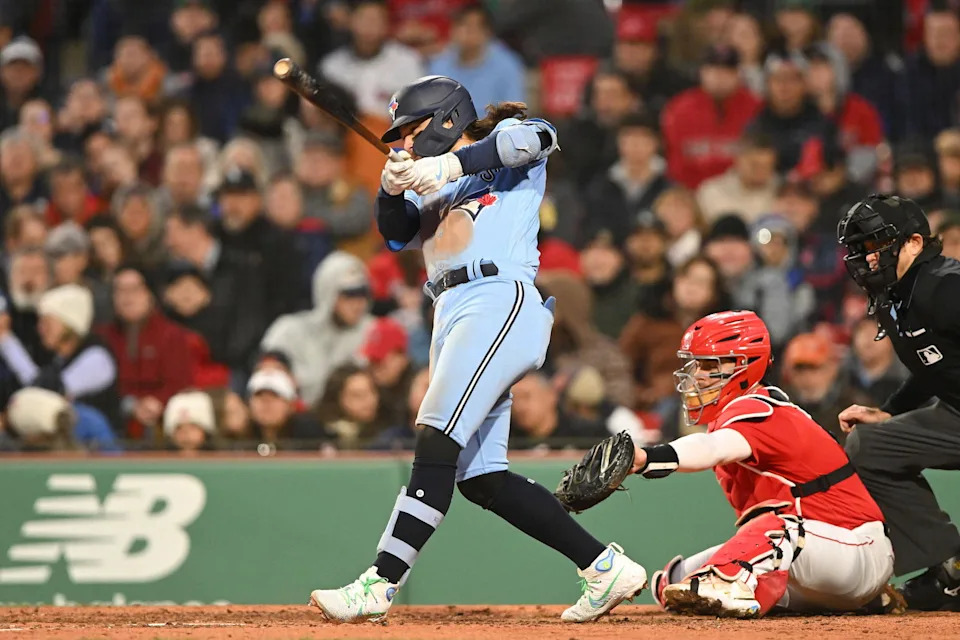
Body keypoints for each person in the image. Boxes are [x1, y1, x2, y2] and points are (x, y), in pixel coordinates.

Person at [308, 75, 647, 624]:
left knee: (435, 433)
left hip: (498, 297)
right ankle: (603, 566)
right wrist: (392, 187)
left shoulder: (505, 140)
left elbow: (538, 139)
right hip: (451, 310)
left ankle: (379, 584)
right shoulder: (426, 179)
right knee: (480, 477)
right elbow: (396, 234)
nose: (407, 144)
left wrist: (442, 167)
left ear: (446, 118)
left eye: (412, 131)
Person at [559, 310, 894, 618]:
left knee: (774, 531)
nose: (697, 376)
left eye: (709, 365)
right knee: (674, 582)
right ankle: (846, 600)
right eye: (695, 365)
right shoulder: (734, 415)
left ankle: (854, 593)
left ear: (743, 365)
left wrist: (647, 457)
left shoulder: (759, 407)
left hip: (855, 549)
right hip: (814, 564)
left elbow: (713, 448)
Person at [837, 194, 960, 610]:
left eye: (875, 246)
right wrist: (889, 411)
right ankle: (951, 569)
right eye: (861, 249)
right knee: (869, 444)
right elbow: (933, 368)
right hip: (955, 412)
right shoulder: (895, 296)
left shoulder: (947, 286)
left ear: (913, 242)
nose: (867, 259)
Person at [620, 256, 728, 436]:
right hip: (655, 407)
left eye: (701, 282)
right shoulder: (648, 321)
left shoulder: (722, 328)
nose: (691, 287)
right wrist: (641, 395)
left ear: (714, 292)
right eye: (686, 278)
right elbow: (621, 365)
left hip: (709, 407)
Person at [0, 284, 120, 430]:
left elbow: (46, 393)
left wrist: (6, 339)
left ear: (68, 324)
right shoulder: (58, 358)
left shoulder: (97, 358)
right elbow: (37, 382)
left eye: (47, 322)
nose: (40, 328)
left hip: (100, 446)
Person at [260, 251, 373, 406]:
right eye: (349, 294)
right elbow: (267, 370)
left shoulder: (374, 331)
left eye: (363, 293)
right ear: (328, 292)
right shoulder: (290, 330)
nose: (358, 303)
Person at [98, 265, 196, 440]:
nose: (127, 297)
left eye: (134, 290)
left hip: (163, 417)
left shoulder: (171, 335)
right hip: (114, 416)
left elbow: (180, 382)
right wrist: (129, 405)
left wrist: (158, 402)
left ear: (149, 294)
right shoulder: (103, 337)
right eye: (120, 290)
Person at [661, 45, 762, 190]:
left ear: (738, 74)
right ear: (701, 72)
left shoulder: (755, 108)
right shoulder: (679, 109)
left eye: (727, 71)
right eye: (713, 70)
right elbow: (675, 164)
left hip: (743, 194)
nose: (719, 77)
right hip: (691, 194)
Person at [215, 166, 306, 316]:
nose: (233, 204)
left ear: (258, 201)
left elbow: (287, 299)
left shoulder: (278, 242)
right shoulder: (210, 236)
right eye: (228, 196)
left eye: (242, 196)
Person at [319, 0, 423, 119]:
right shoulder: (331, 67)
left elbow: (417, 113)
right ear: (350, 21)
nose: (369, 26)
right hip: (346, 134)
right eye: (363, 19)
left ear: (386, 25)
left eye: (375, 20)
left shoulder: (408, 61)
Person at [582, 111, 671, 244]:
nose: (636, 144)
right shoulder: (601, 187)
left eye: (643, 137)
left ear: (656, 143)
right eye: (629, 137)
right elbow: (592, 228)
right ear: (619, 142)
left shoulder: (669, 185)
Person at [748, 52, 838, 174]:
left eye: (792, 79)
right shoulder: (755, 126)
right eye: (777, 79)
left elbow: (834, 171)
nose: (784, 87)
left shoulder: (823, 125)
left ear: (805, 84)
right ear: (767, 85)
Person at [427, 5, 525, 112]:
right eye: (461, 26)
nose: (465, 33)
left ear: (487, 32)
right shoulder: (439, 64)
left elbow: (515, 115)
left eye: (472, 27)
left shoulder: (507, 65)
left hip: (493, 127)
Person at [826, 13, 905, 142]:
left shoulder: (887, 73)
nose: (847, 42)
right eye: (841, 36)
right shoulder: (820, 79)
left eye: (851, 34)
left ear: (865, 36)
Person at [781, 331, 861, 443]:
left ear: (832, 369)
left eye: (814, 368)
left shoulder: (856, 408)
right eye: (800, 370)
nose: (806, 378)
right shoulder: (779, 409)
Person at [696, 132, 780, 224]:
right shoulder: (711, 193)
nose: (761, 172)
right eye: (755, 165)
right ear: (738, 160)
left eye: (767, 166)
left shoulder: (781, 193)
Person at [904, 8, 960, 139]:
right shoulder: (908, 75)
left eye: (945, 33)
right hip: (922, 151)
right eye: (933, 34)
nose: (939, 40)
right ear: (924, 38)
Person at [247, 367, 326, 447]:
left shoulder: (311, 438)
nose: (266, 401)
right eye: (259, 395)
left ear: (291, 405)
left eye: (275, 395)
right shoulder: (240, 439)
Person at [846, 315, 908, 409]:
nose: (868, 338)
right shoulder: (844, 377)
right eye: (862, 331)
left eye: (876, 331)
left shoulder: (906, 378)